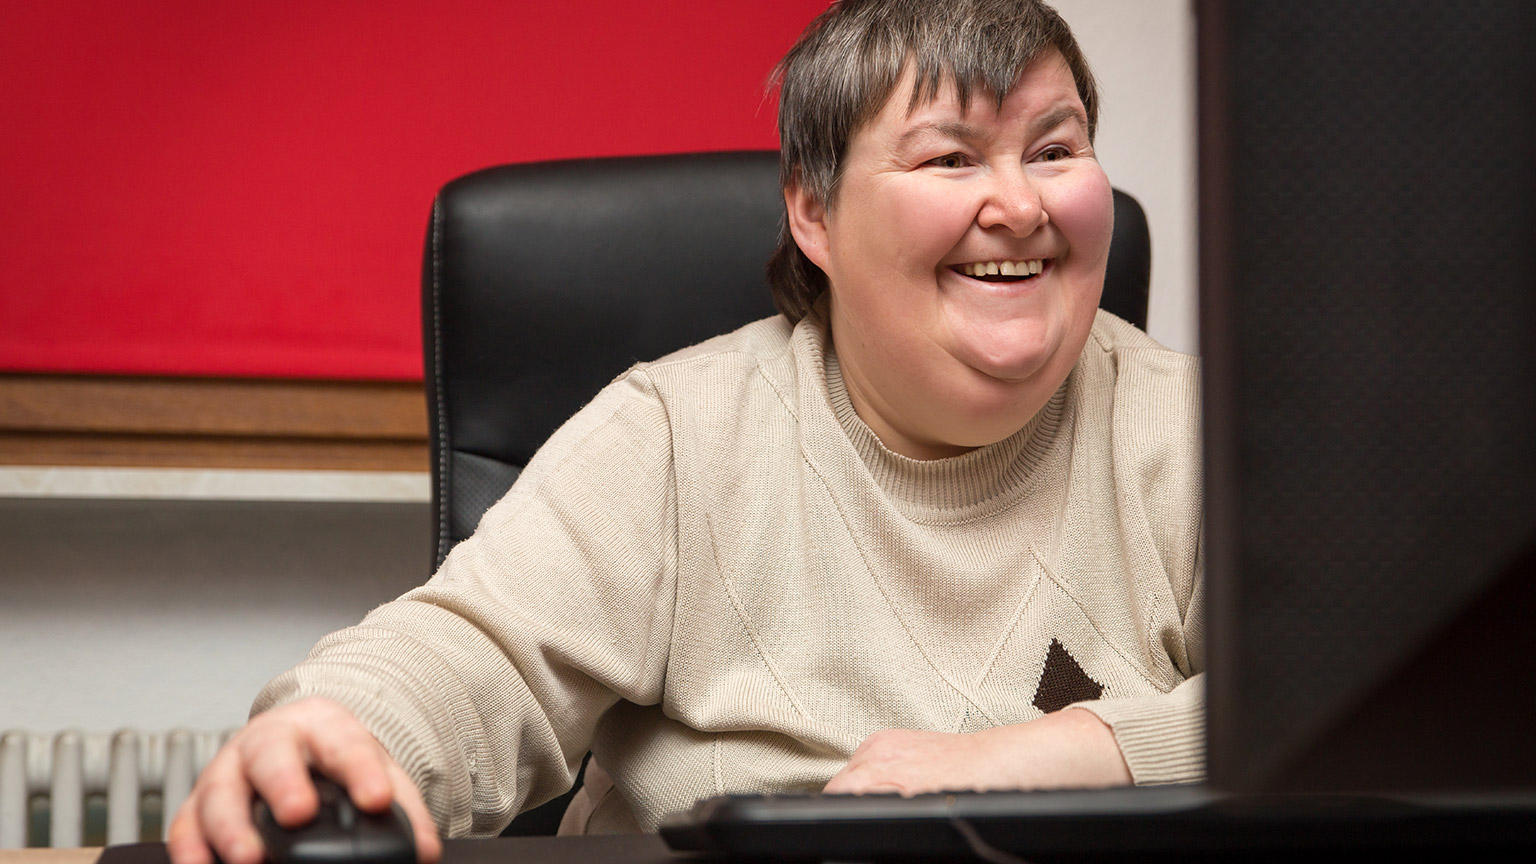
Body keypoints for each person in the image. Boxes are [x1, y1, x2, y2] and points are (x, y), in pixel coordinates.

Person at [167, 2, 1203, 863]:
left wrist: (1057, 753)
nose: (1020, 204)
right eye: (950, 159)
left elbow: (1351, 727)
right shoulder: (674, 437)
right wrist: (333, 736)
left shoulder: (1197, 432)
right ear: (815, 211)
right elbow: (462, 661)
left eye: (1056, 149)